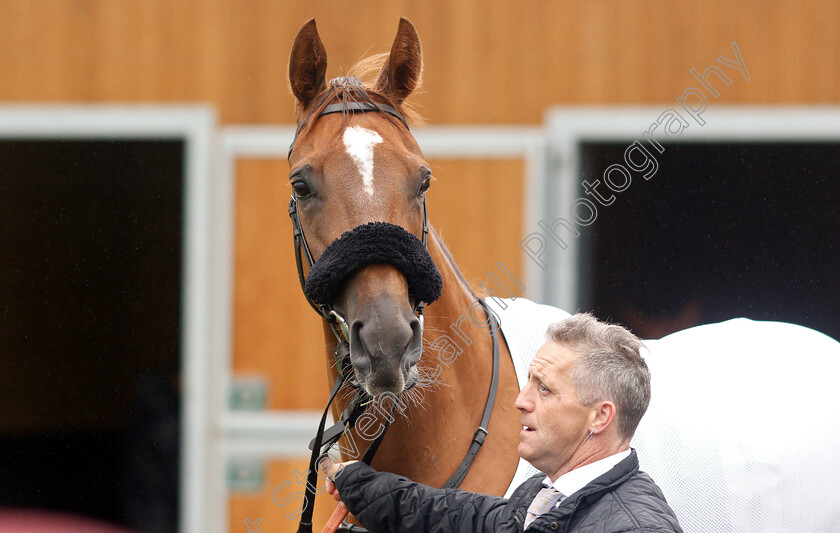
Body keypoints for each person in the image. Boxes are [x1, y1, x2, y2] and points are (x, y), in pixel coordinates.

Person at [323, 313, 683, 532]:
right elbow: (444, 517)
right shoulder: (541, 498)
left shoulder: (635, 527)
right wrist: (357, 484)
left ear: (600, 416)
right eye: (528, 382)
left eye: (544, 389)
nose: (520, 401)